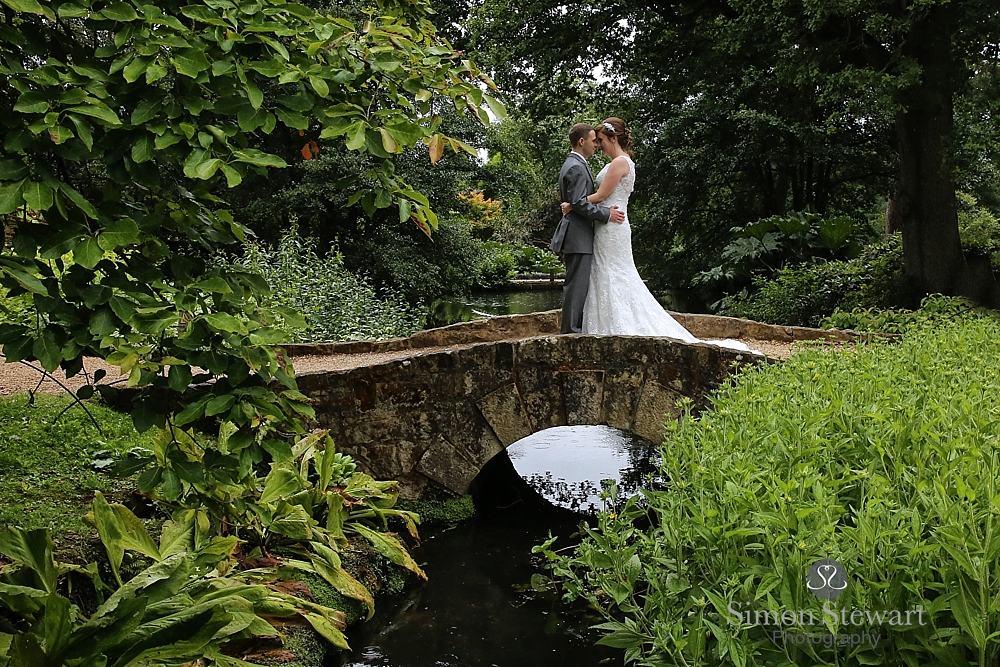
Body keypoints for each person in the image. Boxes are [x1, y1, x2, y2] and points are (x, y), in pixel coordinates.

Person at [560, 118, 757, 353]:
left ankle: (617, 327)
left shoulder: (619, 163)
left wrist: (573, 205)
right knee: (607, 274)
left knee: (614, 274)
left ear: (613, 138)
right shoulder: (622, 162)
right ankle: (602, 326)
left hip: (612, 224)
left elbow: (601, 196)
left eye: (601, 140)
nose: (599, 145)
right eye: (596, 141)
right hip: (609, 224)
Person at [550, 123, 626, 334]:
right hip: (578, 235)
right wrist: (606, 214)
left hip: (579, 235)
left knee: (578, 284)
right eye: (593, 141)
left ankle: (574, 328)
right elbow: (580, 202)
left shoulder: (575, 163)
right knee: (576, 286)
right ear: (581, 141)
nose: (596, 145)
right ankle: (571, 332)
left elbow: (576, 201)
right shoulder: (575, 166)